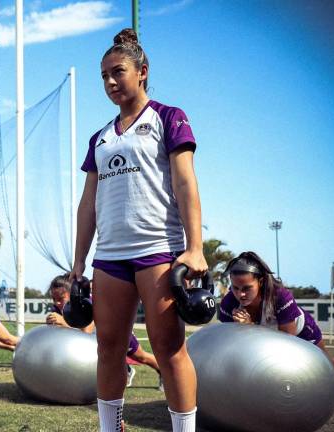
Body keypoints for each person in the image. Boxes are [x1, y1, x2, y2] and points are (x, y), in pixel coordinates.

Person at [71, 28, 207, 432]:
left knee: (170, 350)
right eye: (104, 76)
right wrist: (79, 261)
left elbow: (186, 184)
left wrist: (195, 247)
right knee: (108, 349)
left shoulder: (168, 117)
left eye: (119, 72)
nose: (110, 82)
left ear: (142, 71)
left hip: (158, 252)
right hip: (109, 257)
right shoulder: (100, 137)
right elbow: (87, 204)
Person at [219, 251, 334, 407]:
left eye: (247, 288)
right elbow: (230, 343)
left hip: (298, 333)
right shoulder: (228, 303)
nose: (240, 294)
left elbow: (286, 343)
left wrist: (250, 328)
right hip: (264, 337)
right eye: (235, 288)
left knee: (323, 363)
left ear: (260, 281)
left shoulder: (279, 295)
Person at [46, 274, 163, 390]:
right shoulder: (57, 308)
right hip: (98, 338)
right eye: (54, 299)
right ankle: (126, 369)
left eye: (61, 298)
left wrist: (64, 323)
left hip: (116, 328)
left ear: (72, 294)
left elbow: (86, 333)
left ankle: (163, 373)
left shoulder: (86, 303)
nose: (57, 303)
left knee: (141, 356)